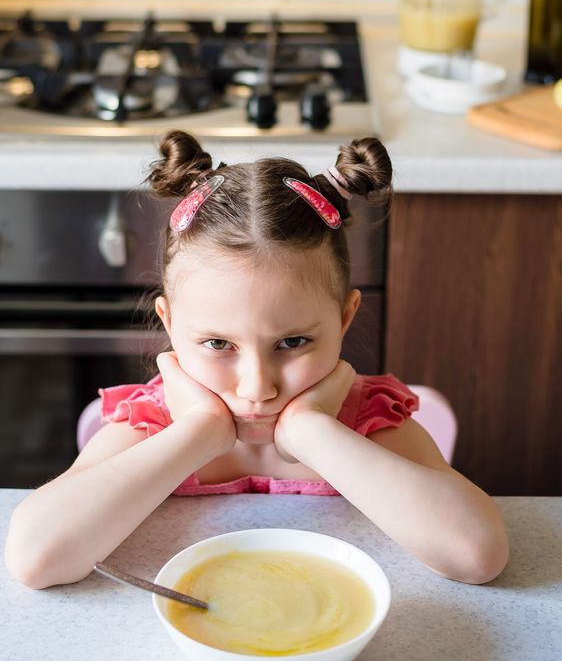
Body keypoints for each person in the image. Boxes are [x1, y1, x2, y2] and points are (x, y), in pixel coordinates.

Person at [5, 131, 509, 590]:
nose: (257, 387)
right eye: (218, 344)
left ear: (345, 317)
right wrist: (199, 431)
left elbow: (477, 555)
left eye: (291, 343)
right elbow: (35, 559)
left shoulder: (367, 422)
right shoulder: (152, 424)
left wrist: (312, 432)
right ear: (170, 322)